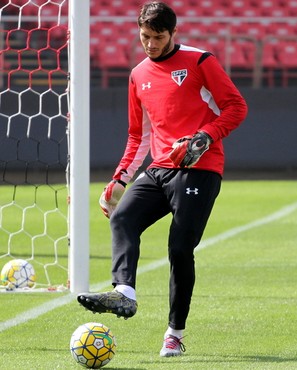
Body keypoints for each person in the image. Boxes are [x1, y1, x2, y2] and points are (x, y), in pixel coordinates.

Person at [78, 1, 248, 357]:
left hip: (200, 167)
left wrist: (206, 135)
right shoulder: (137, 75)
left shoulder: (201, 61)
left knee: (179, 249)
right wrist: (120, 179)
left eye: (158, 37)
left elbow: (236, 106)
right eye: (145, 36)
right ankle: (124, 292)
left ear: (174, 33)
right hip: (159, 169)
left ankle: (175, 333)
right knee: (122, 217)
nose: (151, 44)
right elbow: (137, 135)